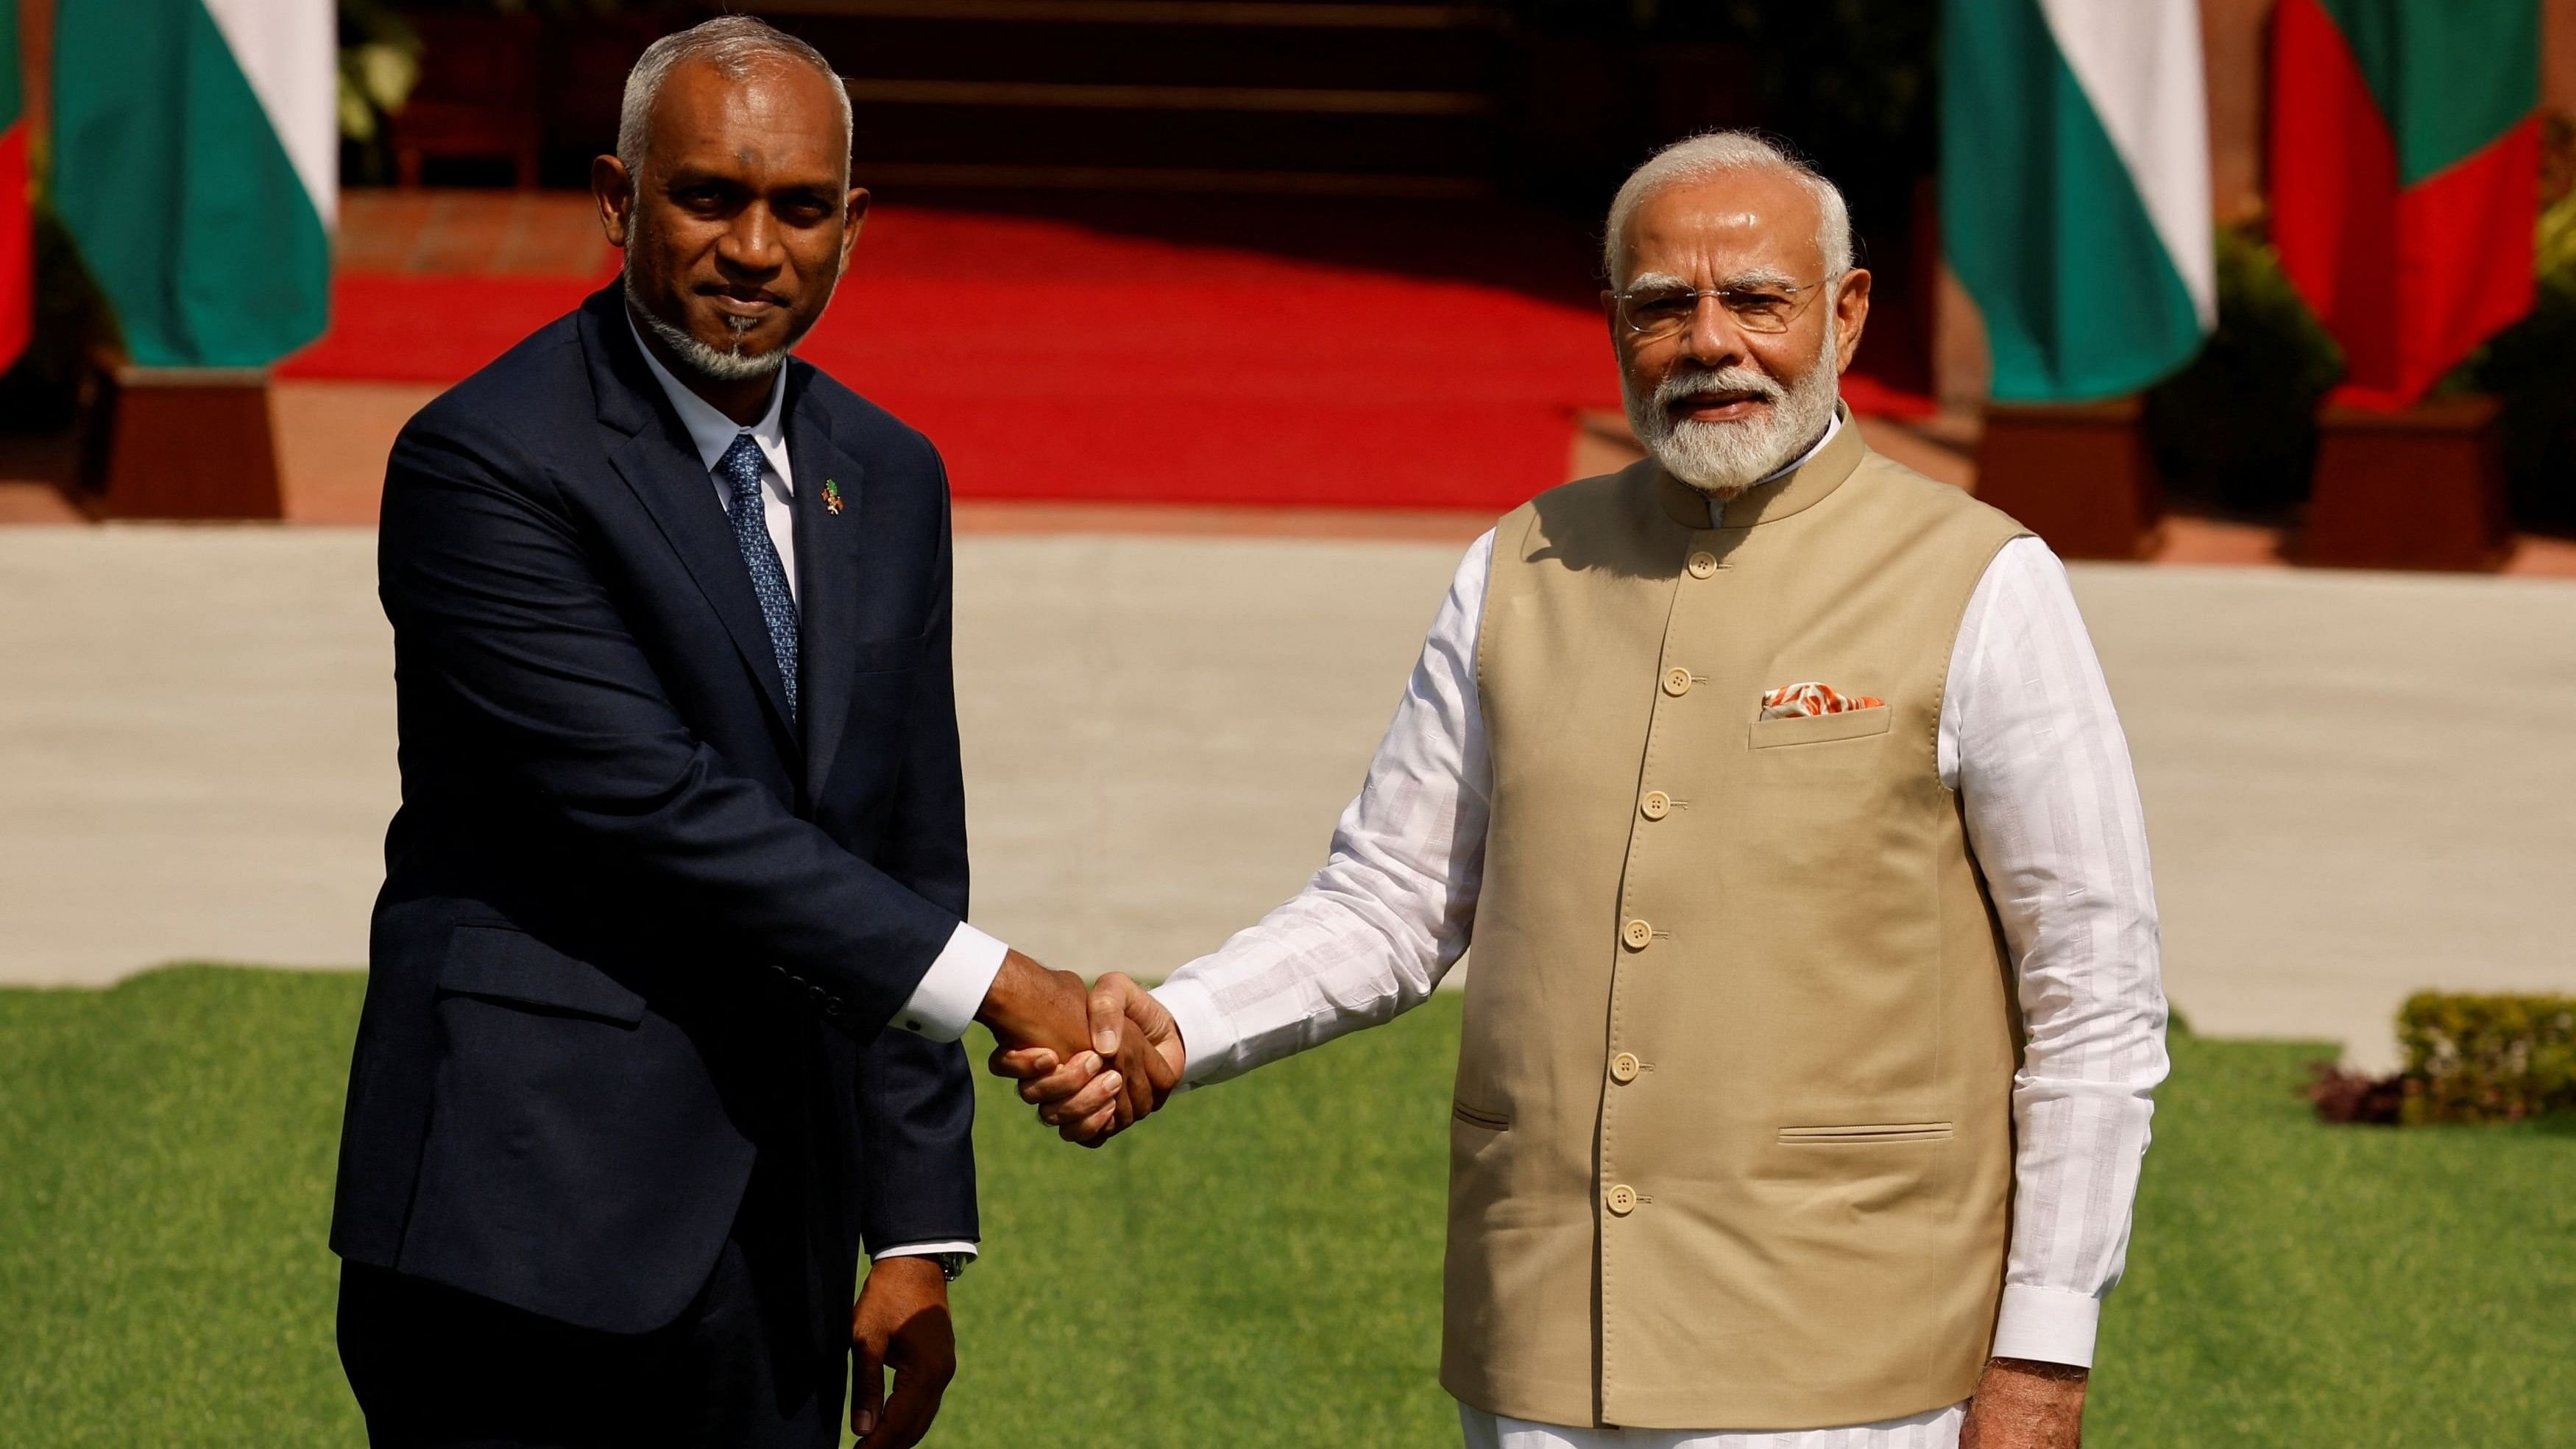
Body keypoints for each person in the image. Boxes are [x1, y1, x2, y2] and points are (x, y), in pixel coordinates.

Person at [1011, 132, 2168, 1449]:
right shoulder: (1519, 567)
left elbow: (2095, 996)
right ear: (1613, 323)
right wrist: (1180, 1024)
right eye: (1666, 305)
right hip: (1542, 1341)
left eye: (1759, 300)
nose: (1712, 342)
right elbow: (1393, 901)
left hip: (1858, 1363)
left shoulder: (1981, 580)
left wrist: (2043, 1358)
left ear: (1846, 314)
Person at [328, 18, 1169, 1448]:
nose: (753, 248)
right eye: (708, 196)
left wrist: (912, 1233)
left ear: (852, 223)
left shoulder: (889, 475)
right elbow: (656, 806)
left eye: (796, 209)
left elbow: (901, 849)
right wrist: (1008, 989)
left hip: (778, 1229)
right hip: (519, 1216)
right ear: (617, 199)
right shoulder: (483, 460)